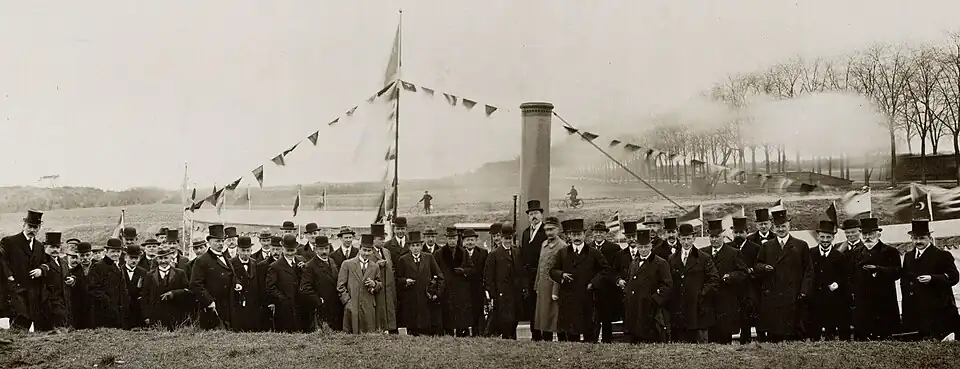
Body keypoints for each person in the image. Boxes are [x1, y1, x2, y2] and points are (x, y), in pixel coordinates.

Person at [754, 210, 812, 342]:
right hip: (774, 293)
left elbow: (808, 271)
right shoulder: (767, 246)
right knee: (775, 330)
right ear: (773, 227)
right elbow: (757, 264)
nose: (781, 229)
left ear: (789, 226)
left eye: (783, 226)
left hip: (793, 293)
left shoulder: (801, 245)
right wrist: (764, 267)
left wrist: (803, 291)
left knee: (793, 329)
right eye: (778, 227)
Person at [550, 218, 609, 343]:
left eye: (579, 234)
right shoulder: (562, 253)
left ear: (584, 235)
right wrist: (562, 274)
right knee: (571, 334)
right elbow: (552, 271)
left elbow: (605, 270)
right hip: (569, 298)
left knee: (589, 332)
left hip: (587, 297)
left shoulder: (594, 253)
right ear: (570, 236)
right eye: (574, 235)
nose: (576, 237)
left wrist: (593, 283)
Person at [900, 220, 960, 340]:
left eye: (922, 238)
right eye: (915, 238)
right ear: (911, 239)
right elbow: (905, 278)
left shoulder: (942, 255)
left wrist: (932, 278)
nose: (918, 242)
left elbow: (954, 276)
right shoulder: (908, 256)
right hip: (916, 306)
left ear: (929, 238)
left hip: (938, 306)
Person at [848, 217, 901, 341]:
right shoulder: (856, 252)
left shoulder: (890, 251)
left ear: (879, 234)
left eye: (871, 234)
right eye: (865, 234)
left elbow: (898, 272)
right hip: (863, 298)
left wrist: (878, 270)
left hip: (884, 297)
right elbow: (850, 275)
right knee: (864, 333)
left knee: (885, 334)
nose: (867, 237)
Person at [618, 229, 672, 343]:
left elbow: (667, 285)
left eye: (646, 247)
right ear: (637, 246)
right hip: (634, 307)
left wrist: (654, 300)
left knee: (649, 338)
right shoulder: (635, 262)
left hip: (650, 308)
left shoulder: (660, 263)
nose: (643, 250)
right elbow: (630, 281)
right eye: (641, 247)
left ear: (651, 246)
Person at [668, 223, 719, 343]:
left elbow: (714, 279)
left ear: (694, 239)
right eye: (683, 239)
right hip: (679, 309)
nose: (686, 242)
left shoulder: (704, 258)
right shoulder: (672, 258)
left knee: (699, 345)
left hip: (698, 309)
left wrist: (702, 293)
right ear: (679, 239)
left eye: (689, 239)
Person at [0, 210, 48, 330]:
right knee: (19, 322)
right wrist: (9, 276)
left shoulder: (40, 246)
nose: (32, 230)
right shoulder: (10, 241)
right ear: (24, 225)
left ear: (39, 228)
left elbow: (45, 263)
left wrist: (41, 270)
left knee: (31, 322)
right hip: (16, 291)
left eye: (35, 227)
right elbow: (2, 261)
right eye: (30, 227)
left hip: (33, 293)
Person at [705, 220, 747, 344]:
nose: (714, 240)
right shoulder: (703, 252)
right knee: (710, 337)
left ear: (722, 236)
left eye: (717, 237)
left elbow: (743, 273)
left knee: (725, 336)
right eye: (711, 237)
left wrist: (731, 276)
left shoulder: (733, 253)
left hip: (726, 300)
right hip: (709, 301)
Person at [806, 220, 849, 341]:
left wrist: (837, 283)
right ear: (818, 236)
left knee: (831, 323)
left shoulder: (839, 256)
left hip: (832, 297)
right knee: (814, 323)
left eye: (828, 237)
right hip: (814, 296)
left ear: (833, 237)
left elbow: (845, 275)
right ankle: (814, 341)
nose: (825, 240)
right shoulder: (810, 253)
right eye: (822, 237)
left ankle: (830, 341)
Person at [396, 231, 444, 336]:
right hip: (410, 299)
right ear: (409, 247)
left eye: (417, 245)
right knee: (413, 328)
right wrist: (405, 281)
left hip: (426, 298)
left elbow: (439, 276)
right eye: (413, 246)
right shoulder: (403, 259)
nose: (416, 248)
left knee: (426, 327)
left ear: (421, 246)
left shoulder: (429, 258)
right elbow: (398, 279)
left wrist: (437, 293)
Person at [189, 224, 237, 330]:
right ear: (209, 242)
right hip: (212, 307)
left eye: (222, 241)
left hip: (227, 305)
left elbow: (231, 275)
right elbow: (195, 284)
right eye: (217, 241)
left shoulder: (225, 258)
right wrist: (209, 301)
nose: (220, 244)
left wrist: (236, 283)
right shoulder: (202, 260)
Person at [484, 223, 526, 340]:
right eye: (505, 238)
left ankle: (512, 340)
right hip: (502, 294)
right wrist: (493, 294)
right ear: (501, 238)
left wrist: (523, 287)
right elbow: (488, 277)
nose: (508, 241)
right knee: (506, 321)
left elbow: (521, 272)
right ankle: (507, 341)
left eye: (510, 238)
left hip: (515, 292)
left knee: (515, 320)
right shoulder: (494, 254)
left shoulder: (517, 252)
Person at [337, 234, 383, 334]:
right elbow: (340, 286)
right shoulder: (347, 264)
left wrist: (374, 284)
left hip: (368, 306)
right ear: (359, 249)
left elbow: (380, 284)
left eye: (369, 251)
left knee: (368, 335)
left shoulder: (374, 266)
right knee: (352, 335)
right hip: (353, 305)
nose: (366, 253)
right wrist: (347, 302)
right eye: (364, 250)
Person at [727, 217, 762, 344]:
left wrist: (751, 271)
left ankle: (747, 341)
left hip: (749, 289)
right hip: (733, 288)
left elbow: (758, 267)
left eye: (741, 232)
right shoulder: (728, 248)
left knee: (748, 316)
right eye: (736, 232)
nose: (738, 235)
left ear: (747, 232)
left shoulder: (755, 248)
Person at [140, 245, 191, 330]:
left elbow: (188, 291)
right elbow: (145, 296)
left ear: (171, 257)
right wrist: (146, 316)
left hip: (175, 317)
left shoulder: (180, 273)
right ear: (156, 259)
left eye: (166, 258)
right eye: (160, 258)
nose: (163, 261)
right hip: (156, 317)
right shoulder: (150, 275)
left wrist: (174, 293)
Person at [300, 235, 344, 332]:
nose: (324, 252)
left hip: (335, 307)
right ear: (315, 249)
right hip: (321, 309)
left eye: (326, 248)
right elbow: (305, 288)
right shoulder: (310, 266)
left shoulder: (332, 261)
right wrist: (319, 300)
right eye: (321, 249)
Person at [435, 226, 473, 336]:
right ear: (446, 239)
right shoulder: (439, 253)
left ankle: (461, 337)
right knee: (447, 319)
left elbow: (472, 269)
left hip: (460, 291)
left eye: (454, 238)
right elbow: (434, 270)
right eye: (450, 238)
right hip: (446, 290)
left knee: (461, 320)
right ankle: (448, 337)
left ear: (457, 239)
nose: (452, 241)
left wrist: (464, 271)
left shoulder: (464, 253)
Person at [519, 200, 548, 341]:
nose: (533, 216)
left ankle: (545, 334)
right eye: (531, 214)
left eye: (536, 213)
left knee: (543, 304)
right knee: (531, 305)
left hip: (541, 274)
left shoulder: (546, 232)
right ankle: (535, 335)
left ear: (541, 215)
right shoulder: (525, 233)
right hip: (528, 275)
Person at [265, 235, 305, 333]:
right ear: (282, 249)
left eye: (293, 250)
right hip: (284, 308)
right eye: (288, 251)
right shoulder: (275, 266)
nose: (291, 253)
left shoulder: (301, 261)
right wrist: (283, 299)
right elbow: (270, 287)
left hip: (300, 306)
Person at [88, 238, 130, 329]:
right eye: (113, 251)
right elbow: (93, 289)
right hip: (104, 311)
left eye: (118, 251)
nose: (116, 254)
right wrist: (108, 302)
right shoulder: (98, 266)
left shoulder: (118, 265)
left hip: (119, 311)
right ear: (106, 251)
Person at [592, 221, 622, 343]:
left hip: (608, 289)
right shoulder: (588, 247)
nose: (598, 234)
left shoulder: (614, 248)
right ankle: (592, 341)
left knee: (606, 318)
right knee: (592, 317)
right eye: (596, 232)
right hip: (592, 288)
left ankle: (606, 341)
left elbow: (615, 269)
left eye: (601, 232)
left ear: (605, 234)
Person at [38, 232, 72, 331]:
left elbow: (67, 276)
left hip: (64, 302)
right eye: (52, 247)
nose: (55, 250)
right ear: (45, 246)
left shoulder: (63, 262)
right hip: (49, 306)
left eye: (57, 247)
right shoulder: (41, 261)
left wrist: (72, 279)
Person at [230, 236, 263, 332]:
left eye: (248, 251)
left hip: (252, 305)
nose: (245, 253)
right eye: (243, 251)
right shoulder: (231, 263)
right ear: (237, 250)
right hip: (237, 305)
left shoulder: (255, 263)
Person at [461, 229, 489, 336]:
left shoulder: (483, 253)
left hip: (477, 288)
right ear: (463, 241)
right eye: (467, 240)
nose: (470, 242)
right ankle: (464, 333)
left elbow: (484, 271)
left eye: (472, 240)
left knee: (478, 311)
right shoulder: (459, 253)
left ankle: (478, 333)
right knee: (465, 311)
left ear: (476, 240)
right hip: (464, 288)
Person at [69, 242, 95, 330]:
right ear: (78, 256)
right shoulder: (73, 271)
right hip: (80, 308)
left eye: (87, 255)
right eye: (82, 255)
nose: (85, 258)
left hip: (96, 307)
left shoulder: (99, 267)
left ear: (92, 254)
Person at [121, 244, 148, 329]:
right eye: (131, 258)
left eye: (136, 258)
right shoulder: (119, 271)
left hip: (137, 310)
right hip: (123, 308)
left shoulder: (144, 272)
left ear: (139, 259)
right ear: (125, 258)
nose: (133, 260)